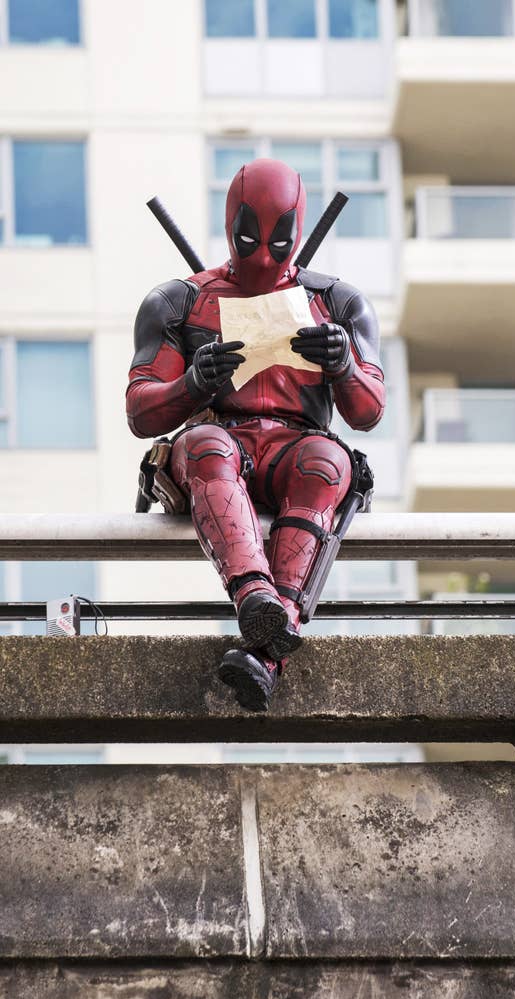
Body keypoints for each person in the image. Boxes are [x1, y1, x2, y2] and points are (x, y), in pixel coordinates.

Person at [126, 158, 385, 710]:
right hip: (219, 443)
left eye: (276, 243)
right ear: (230, 228)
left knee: (328, 462)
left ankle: (265, 646)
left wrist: (343, 365)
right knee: (206, 446)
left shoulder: (338, 304)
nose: (264, 257)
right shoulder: (181, 303)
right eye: (249, 240)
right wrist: (193, 383)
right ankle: (260, 602)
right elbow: (141, 411)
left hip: (298, 450)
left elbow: (367, 411)